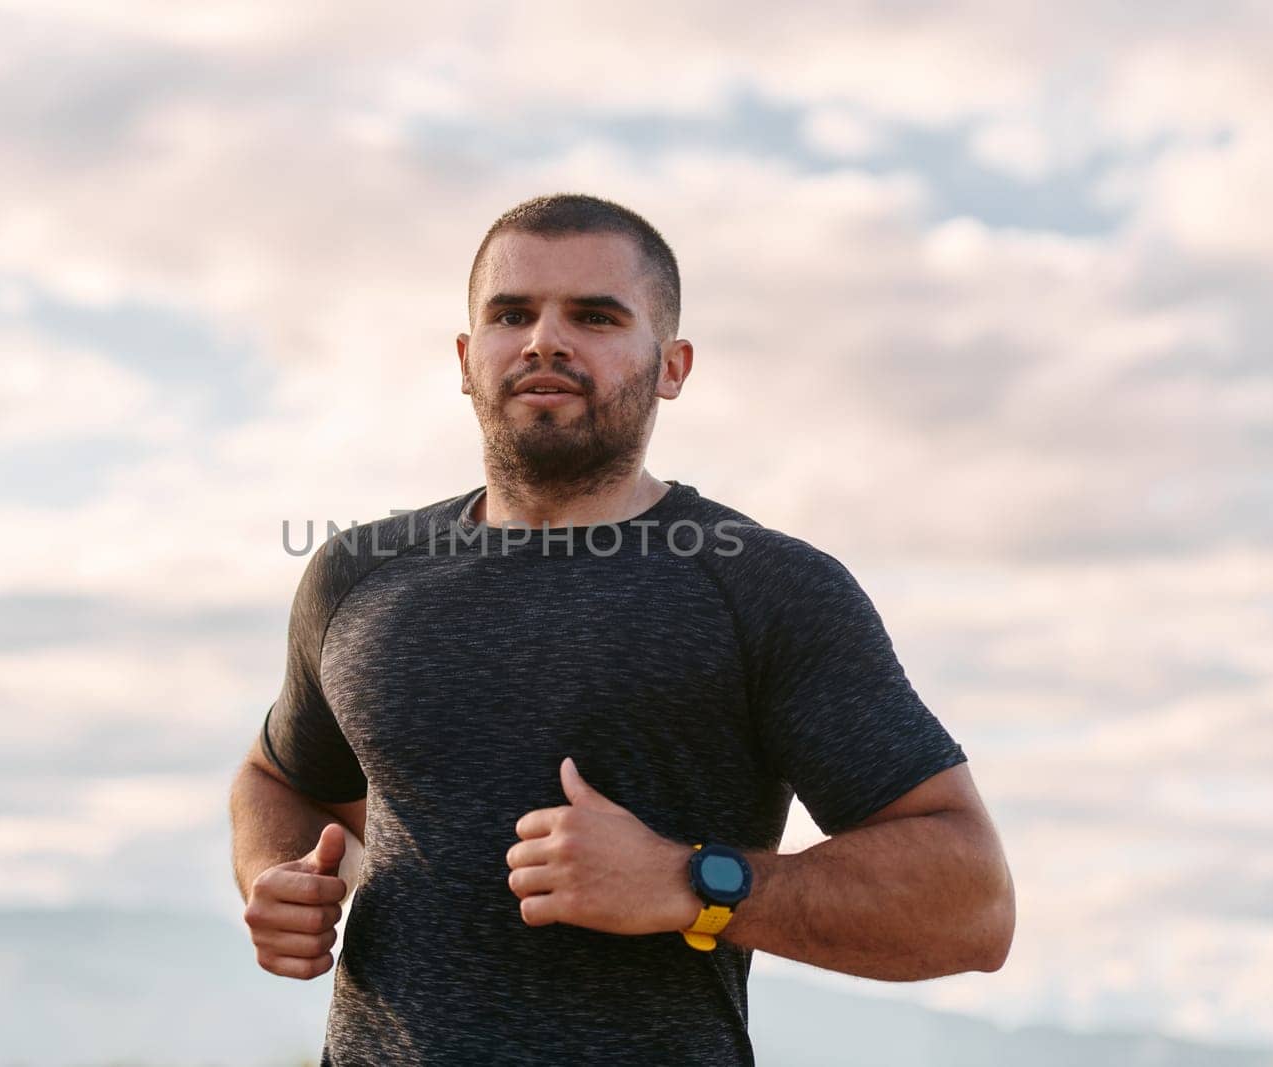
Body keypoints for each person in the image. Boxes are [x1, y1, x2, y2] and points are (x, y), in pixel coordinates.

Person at [230, 194, 1015, 1065]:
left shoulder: (765, 587)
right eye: (512, 314)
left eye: (595, 316)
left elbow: (973, 903)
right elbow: (278, 775)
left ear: (672, 365)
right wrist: (277, 875)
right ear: (466, 357)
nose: (544, 341)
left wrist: (690, 883)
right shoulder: (357, 574)